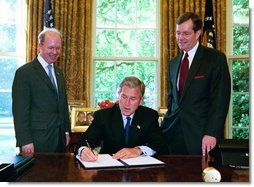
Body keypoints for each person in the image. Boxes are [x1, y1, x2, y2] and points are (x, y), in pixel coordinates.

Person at [160, 12, 231, 156]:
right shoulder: (173, 63)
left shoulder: (215, 59)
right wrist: (163, 129)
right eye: (178, 33)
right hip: (172, 137)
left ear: (198, 33)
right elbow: (172, 101)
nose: (180, 38)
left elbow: (220, 101)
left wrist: (211, 133)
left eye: (186, 33)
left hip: (202, 137)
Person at [76, 76, 169, 161]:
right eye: (124, 97)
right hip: (109, 170)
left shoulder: (149, 116)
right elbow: (85, 141)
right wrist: (83, 150)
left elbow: (159, 144)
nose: (127, 103)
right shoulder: (103, 116)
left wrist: (138, 150)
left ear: (141, 100)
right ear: (118, 95)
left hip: (140, 172)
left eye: (133, 99)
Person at [12, 28, 71, 153]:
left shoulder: (59, 72)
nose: (54, 52)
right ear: (40, 45)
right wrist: (25, 140)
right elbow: (20, 111)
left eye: (58, 48)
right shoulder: (24, 73)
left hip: (59, 139)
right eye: (50, 48)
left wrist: (66, 131)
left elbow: (62, 105)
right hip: (37, 141)